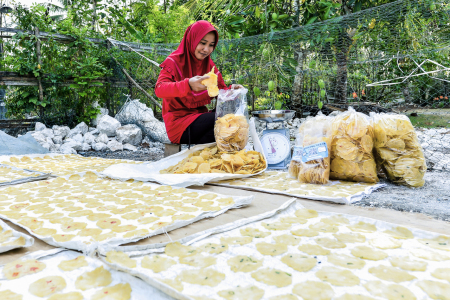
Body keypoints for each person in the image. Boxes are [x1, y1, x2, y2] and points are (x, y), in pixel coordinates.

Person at [155, 20, 243, 145]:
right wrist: (188, 85)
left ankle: (209, 150)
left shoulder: (209, 65)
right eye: (203, 43)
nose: (206, 49)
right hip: (179, 125)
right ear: (193, 40)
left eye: (211, 45)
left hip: (200, 121)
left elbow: (222, 91)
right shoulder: (173, 61)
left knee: (231, 119)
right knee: (223, 119)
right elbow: (159, 89)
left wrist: (232, 90)